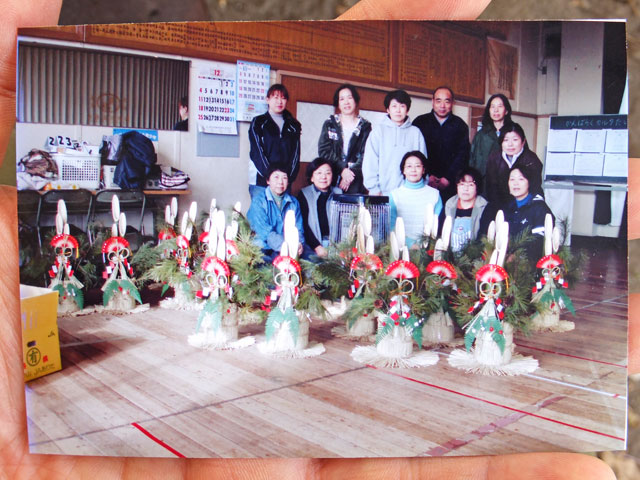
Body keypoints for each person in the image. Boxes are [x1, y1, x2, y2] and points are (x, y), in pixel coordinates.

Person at [0, 1, 622, 479]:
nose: (380, 109)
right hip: (365, 199)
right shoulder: (306, 162)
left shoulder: (432, 147)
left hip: (400, 200)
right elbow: (335, 179)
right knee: (327, 244)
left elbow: (402, 179)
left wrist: (419, 186)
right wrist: (338, 185)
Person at [362, 89, 427, 196]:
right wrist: (374, 189)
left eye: (402, 106)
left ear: (407, 110)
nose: (398, 110)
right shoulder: (378, 132)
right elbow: (370, 163)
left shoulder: (416, 133)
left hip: (410, 193)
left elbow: (423, 164)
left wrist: (419, 189)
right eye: (394, 106)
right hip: (381, 193)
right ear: (388, 109)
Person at [412, 86, 470, 202]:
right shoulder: (420, 122)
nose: (442, 105)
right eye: (438, 101)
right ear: (432, 102)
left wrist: (448, 178)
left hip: (451, 185)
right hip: (423, 182)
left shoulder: (460, 125)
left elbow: (463, 156)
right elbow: (414, 153)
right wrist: (427, 176)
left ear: (452, 103)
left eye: (446, 101)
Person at [248, 84, 301, 197]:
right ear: (267, 99)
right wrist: (271, 177)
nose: (279, 101)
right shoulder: (258, 122)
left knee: (283, 209)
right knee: (261, 208)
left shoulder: (293, 125)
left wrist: (287, 178)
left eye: (283, 98)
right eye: (275, 97)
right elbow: (257, 152)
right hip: (261, 181)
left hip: (284, 182)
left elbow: (295, 155)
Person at [318, 84, 372, 194]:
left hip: (356, 179)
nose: (346, 102)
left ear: (355, 101)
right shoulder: (330, 124)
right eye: (342, 99)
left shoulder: (365, 126)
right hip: (332, 178)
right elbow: (324, 151)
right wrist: (342, 170)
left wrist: (349, 175)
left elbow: (366, 154)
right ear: (338, 103)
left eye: (349, 98)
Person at [246, 163, 304, 260]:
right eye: (276, 177)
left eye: (284, 178)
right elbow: (265, 233)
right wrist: (286, 247)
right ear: (268, 180)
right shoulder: (258, 201)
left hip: (287, 248)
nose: (280, 182)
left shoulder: (294, 202)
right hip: (263, 248)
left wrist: (299, 244)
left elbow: (298, 229)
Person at [389, 151, 442, 246]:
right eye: (409, 166)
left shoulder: (435, 194)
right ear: (403, 170)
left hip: (428, 248)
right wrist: (410, 244)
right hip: (400, 247)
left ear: (423, 170)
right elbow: (391, 226)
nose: (413, 170)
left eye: (417, 166)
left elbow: (437, 226)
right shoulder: (394, 195)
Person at [484, 122, 543, 205]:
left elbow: (534, 188)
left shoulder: (531, 159)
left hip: (526, 203)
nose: (510, 144)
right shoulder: (494, 158)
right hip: (499, 202)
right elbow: (491, 186)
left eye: (515, 140)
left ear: (523, 142)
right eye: (506, 140)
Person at [297, 158, 341, 258]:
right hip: (312, 246)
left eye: (328, 173)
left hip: (336, 245)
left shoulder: (339, 194)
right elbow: (304, 225)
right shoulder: (304, 194)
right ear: (312, 177)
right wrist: (317, 247)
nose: (323, 177)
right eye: (319, 173)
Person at [470, 93, 513, 181]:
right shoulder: (481, 134)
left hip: (507, 182)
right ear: (489, 110)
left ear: (506, 111)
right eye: (492, 107)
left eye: (500, 106)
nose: (496, 110)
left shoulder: (514, 132)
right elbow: (472, 161)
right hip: (484, 182)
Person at [443, 167, 488, 252]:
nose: (465, 189)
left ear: (477, 187)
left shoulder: (484, 207)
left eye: (470, 185)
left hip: (475, 256)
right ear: (457, 186)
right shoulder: (449, 205)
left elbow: (484, 238)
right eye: (462, 184)